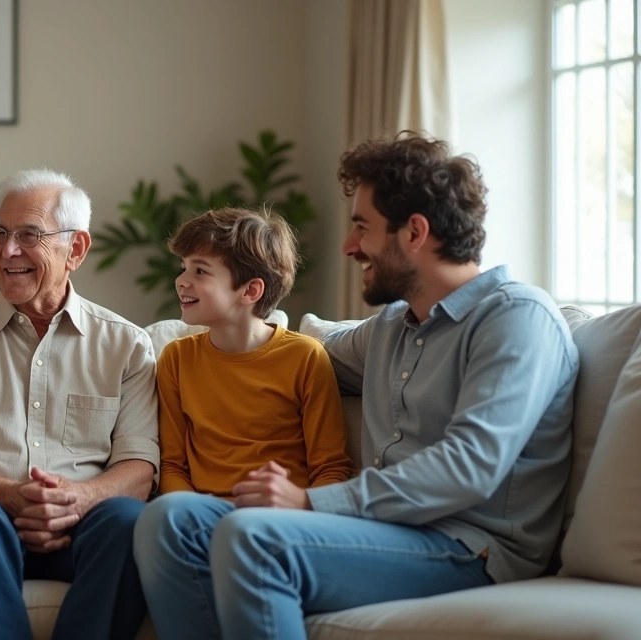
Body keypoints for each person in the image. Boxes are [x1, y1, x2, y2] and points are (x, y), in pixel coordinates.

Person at [131, 132, 579, 640]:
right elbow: (292, 354)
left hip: (470, 546)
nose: (348, 247)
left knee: (253, 536)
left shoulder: (516, 317)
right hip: (385, 531)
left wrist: (311, 502)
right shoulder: (393, 326)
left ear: (415, 232)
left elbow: (469, 466)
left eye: (362, 227)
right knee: (168, 522)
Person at [0, 169, 159, 640]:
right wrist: (7, 494)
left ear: (75, 249)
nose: (7, 250)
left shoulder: (127, 345)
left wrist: (79, 500)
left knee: (127, 520)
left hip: (78, 527)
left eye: (28, 235)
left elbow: (140, 466)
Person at [135, 205, 353, 634]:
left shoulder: (305, 357)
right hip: (203, 514)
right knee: (161, 517)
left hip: (278, 519)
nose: (182, 280)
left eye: (200, 271)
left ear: (249, 290)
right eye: (183, 267)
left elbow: (331, 468)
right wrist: (197, 511)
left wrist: (299, 513)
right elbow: (174, 466)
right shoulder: (177, 358)